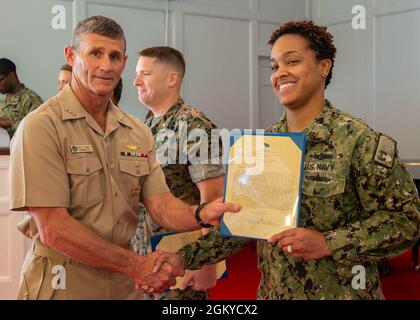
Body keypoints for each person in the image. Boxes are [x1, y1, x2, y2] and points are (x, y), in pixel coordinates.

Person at [167, 20, 420, 300]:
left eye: (293, 61)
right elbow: (244, 224)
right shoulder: (263, 144)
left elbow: (406, 221)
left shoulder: (358, 140)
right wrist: (182, 259)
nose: (280, 73)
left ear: (324, 67)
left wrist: (329, 243)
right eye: (274, 66)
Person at [9, 15, 240, 300]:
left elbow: (161, 204)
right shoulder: (41, 126)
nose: (107, 66)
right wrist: (137, 264)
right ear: (71, 55)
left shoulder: (136, 130)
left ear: (124, 61)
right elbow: (54, 229)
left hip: (123, 286)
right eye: (95, 53)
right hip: (65, 282)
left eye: (115, 56)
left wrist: (200, 215)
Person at [132, 46, 224, 300]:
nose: (136, 81)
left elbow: (214, 200)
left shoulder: (195, 126)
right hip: (146, 255)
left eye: (145, 74)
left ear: (172, 79)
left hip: (180, 261)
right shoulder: (148, 124)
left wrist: (206, 265)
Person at [0, 58, 43, 138]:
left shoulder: (31, 99)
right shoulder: (2, 102)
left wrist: (9, 123)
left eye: (0, 80)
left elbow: (36, 129)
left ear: (11, 76)